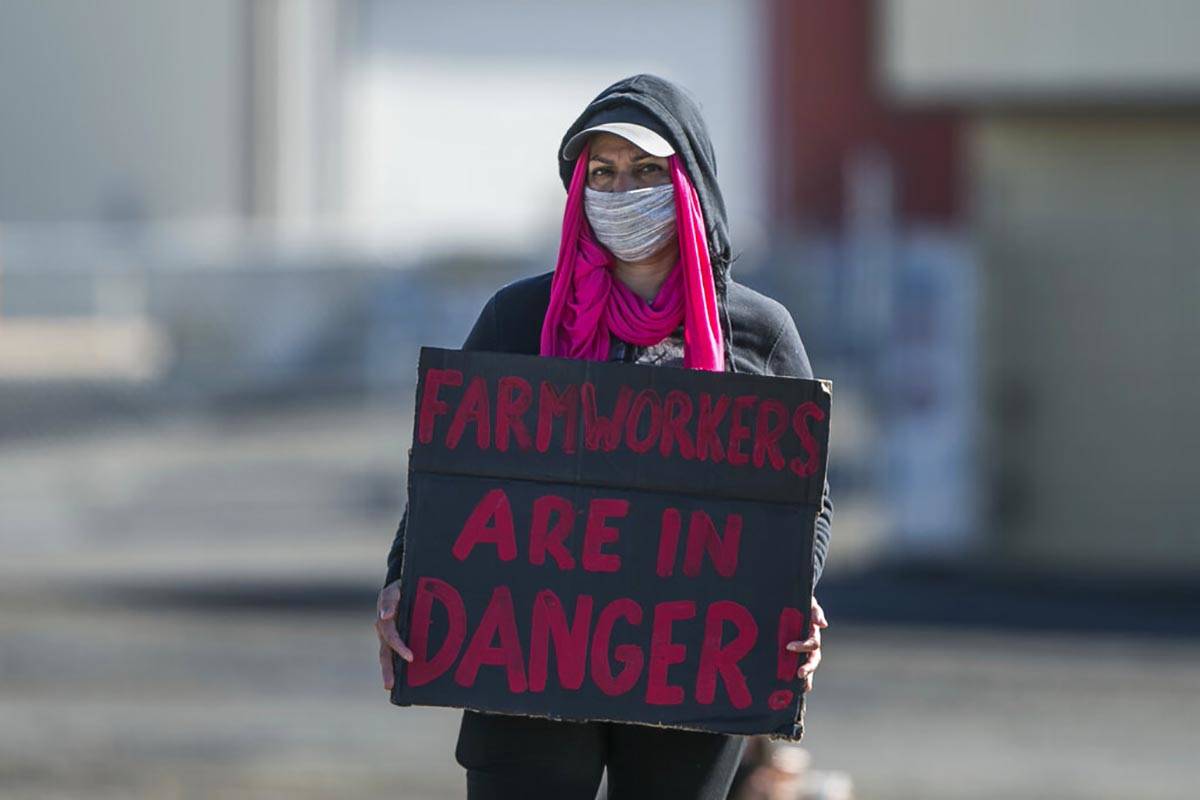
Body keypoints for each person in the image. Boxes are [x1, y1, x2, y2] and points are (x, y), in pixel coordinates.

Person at [376, 73, 833, 800]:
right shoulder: (517, 321)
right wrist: (406, 577)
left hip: (690, 665)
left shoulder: (760, 333)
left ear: (690, 182)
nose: (623, 192)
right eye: (603, 173)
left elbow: (801, 497)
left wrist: (794, 594)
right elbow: (448, 473)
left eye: (647, 170)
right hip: (526, 657)